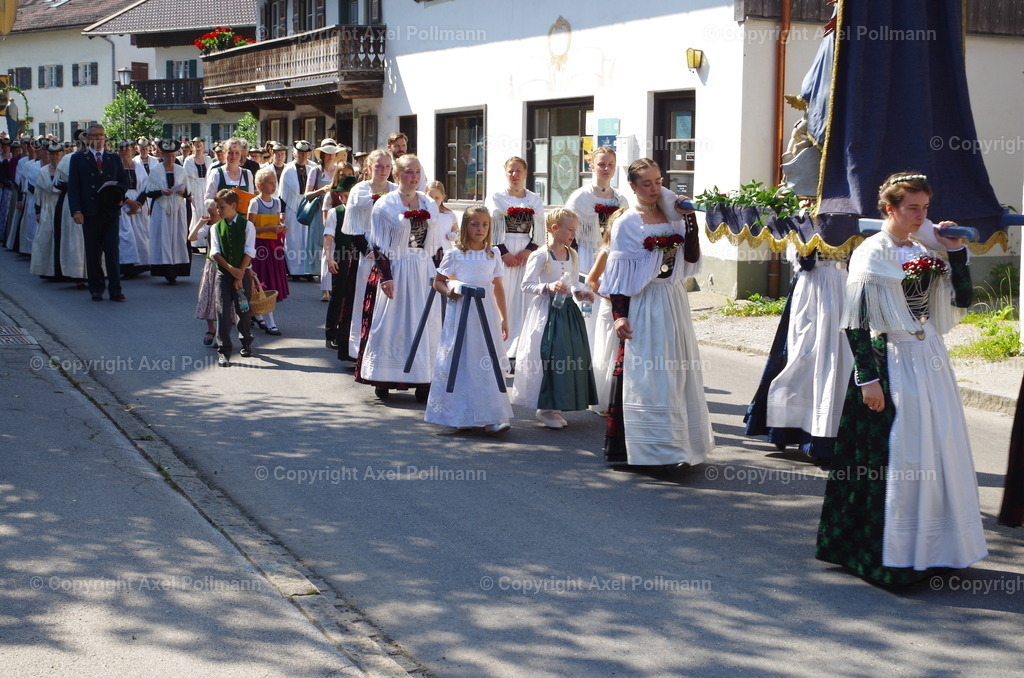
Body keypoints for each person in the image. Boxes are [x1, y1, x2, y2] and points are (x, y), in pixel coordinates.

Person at [815, 172, 987, 587]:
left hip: (929, 357)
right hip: (890, 357)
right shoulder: (871, 253)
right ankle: (888, 554)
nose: (920, 216)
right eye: (912, 208)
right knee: (900, 454)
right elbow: (856, 322)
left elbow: (963, 299)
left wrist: (955, 251)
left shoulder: (924, 249)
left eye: (925, 208)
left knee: (938, 446)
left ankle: (936, 548)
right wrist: (867, 380)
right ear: (890, 208)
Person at [599, 158, 713, 467]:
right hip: (644, 302)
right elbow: (619, 277)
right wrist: (619, 316)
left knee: (677, 372)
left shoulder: (673, 216)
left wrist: (689, 219)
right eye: (647, 183)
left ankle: (680, 446)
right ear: (633, 186)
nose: (654, 188)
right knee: (651, 375)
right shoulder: (627, 223)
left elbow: (691, 256)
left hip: (673, 300)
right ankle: (656, 450)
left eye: (659, 182)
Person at [742, 243, 852, 461]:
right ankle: (789, 427)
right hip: (812, 289)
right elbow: (803, 260)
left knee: (838, 360)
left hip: (843, 286)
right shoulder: (805, 227)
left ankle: (827, 433)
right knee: (803, 357)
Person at [356, 154, 443, 401]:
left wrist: (442, 274)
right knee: (393, 322)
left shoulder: (428, 203)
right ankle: (385, 377)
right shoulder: (385, 205)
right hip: (398, 268)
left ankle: (424, 380)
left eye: (417, 171)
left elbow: (436, 245)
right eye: (408, 171)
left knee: (425, 322)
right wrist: (386, 277)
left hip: (423, 270)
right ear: (397, 175)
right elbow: (378, 245)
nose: (414, 176)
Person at [425, 205, 512, 433]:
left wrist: (504, 318)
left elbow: (498, 287)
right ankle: (459, 414)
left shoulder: (493, 254)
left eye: (484, 224)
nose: (480, 229)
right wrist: (449, 291)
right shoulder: (455, 254)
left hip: (486, 314)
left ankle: (493, 415)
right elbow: (438, 282)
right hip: (462, 313)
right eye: (474, 224)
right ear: (465, 226)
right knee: (463, 359)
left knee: (487, 359)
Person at [511, 208, 598, 427]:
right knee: (549, 355)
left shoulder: (573, 254)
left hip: (568, 311)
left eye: (575, 230)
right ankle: (546, 407)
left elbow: (574, 284)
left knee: (568, 355)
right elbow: (526, 285)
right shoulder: (541, 255)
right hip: (547, 312)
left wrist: (581, 293)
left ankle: (558, 404)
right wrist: (548, 287)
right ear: (555, 229)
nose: (574, 234)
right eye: (570, 229)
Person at [485, 156, 545, 361]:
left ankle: (522, 345)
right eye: (510, 171)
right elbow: (492, 227)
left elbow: (540, 230)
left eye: (518, 170)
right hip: (504, 250)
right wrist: (504, 252)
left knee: (524, 297)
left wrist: (529, 250)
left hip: (526, 252)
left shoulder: (534, 199)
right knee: (505, 295)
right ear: (505, 173)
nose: (515, 175)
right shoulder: (497, 198)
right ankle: (501, 343)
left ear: (525, 173)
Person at [67, 124, 129, 301]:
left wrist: (115, 192)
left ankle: (115, 289)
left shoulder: (113, 157)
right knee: (93, 252)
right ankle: (96, 288)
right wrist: (76, 210)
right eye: (95, 135)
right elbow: (74, 187)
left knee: (112, 251)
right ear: (88, 138)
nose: (99, 139)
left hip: (110, 212)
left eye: (101, 135)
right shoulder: (79, 158)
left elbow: (124, 182)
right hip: (90, 212)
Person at [343, 149, 395, 359]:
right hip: (366, 255)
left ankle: (384, 349)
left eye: (387, 166)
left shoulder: (395, 190)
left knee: (386, 303)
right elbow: (354, 227)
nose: (383, 170)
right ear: (369, 167)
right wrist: (369, 250)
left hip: (390, 254)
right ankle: (359, 350)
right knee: (362, 301)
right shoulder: (360, 190)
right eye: (379, 166)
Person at [210, 189, 256, 367]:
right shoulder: (216, 227)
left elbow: (249, 251)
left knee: (243, 310)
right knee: (222, 311)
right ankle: (224, 350)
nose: (218, 211)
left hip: (242, 275)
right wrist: (231, 269)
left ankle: (246, 341)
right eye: (217, 207)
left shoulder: (247, 226)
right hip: (223, 275)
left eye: (222, 207)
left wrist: (240, 273)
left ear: (233, 206)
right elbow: (215, 252)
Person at [247, 167, 290, 335]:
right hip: (259, 246)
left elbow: (277, 223)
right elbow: (249, 229)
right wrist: (270, 228)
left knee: (270, 281)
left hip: (273, 246)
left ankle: (260, 315)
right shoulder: (255, 203)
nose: (274, 186)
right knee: (261, 281)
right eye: (270, 183)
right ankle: (267, 320)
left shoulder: (277, 202)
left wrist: (281, 228)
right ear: (260, 185)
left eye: (275, 182)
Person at [323, 174, 360, 358]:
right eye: (344, 195)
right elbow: (328, 236)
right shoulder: (335, 212)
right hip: (342, 256)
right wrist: (330, 259)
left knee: (355, 296)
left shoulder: (362, 212)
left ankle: (350, 333)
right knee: (338, 295)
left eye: (349, 195)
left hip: (359, 258)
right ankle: (331, 333)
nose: (346, 199)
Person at [146, 138, 192, 284]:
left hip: (178, 209)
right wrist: (161, 191)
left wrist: (183, 192)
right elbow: (148, 192)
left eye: (173, 156)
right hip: (162, 209)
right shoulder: (155, 171)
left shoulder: (181, 170)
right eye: (168, 156)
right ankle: (165, 270)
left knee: (178, 237)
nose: (171, 159)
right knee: (163, 237)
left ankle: (177, 269)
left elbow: (188, 192)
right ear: (163, 155)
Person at [583, 224, 617, 415]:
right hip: (609, 305)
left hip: (630, 307)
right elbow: (591, 280)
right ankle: (605, 398)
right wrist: (610, 296)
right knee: (608, 350)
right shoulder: (607, 252)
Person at [303, 138, 341, 288]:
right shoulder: (316, 171)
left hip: (336, 211)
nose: (330, 156)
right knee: (320, 244)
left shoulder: (339, 170)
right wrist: (321, 191)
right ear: (323, 155)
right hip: (319, 212)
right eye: (327, 153)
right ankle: (323, 281)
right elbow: (307, 195)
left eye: (333, 153)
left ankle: (331, 279)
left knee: (334, 244)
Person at [279, 140, 317, 279]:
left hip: (309, 207)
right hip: (292, 208)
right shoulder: (288, 169)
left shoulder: (314, 168)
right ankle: (294, 271)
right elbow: (282, 193)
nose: (302, 156)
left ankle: (309, 271)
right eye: (300, 153)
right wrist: (282, 211)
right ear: (294, 153)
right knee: (293, 240)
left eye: (305, 153)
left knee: (308, 239)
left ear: (309, 154)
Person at [189, 199, 224, 346]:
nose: (211, 217)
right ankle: (211, 328)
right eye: (210, 214)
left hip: (225, 266)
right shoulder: (209, 227)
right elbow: (191, 238)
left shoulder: (227, 226)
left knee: (223, 301)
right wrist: (200, 223)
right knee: (208, 298)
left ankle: (222, 332)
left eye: (213, 215)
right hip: (212, 266)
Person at [29, 140, 65, 278]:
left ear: (61, 154)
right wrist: (38, 212)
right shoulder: (43, 172)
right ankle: (48, 271)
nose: (55, 157)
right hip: (48, 209)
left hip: (63, 209)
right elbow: (38, 194)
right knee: (46, 239)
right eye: (52, 154)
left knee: (63, 239)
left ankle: (63, 271)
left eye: (57, 154)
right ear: (48, 155)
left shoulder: (66, 170)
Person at [116, 140, 150, 278]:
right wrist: (127, 202)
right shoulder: (115, 167)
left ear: (132, 151)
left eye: (127, 149)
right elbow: (113, 187)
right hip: (122, 205)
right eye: (122, 149)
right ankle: (126, 266)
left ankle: (140, 265)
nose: (125, 152)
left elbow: (146, 186)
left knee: (140, 235)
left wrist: (138, 204)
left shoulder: (139, 167)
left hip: (138, 206)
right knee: (125, 237)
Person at [183, 137, 210, 247]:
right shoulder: (189, 160)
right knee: (196, 213)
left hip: (206, 187)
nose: (198, 146)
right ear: (192, 146)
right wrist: (189, 193)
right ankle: (195, 241)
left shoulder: (208, 159)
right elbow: (185, 178)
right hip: (194, 188)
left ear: (203, 146)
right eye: (196, 144)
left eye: (200, 144)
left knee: (207, 212)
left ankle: (206, 240)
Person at [426, 180, 458, 251]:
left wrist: (454, 235)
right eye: (430, 197)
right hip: (426, 254)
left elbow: (458, 234)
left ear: (442, 197)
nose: (433, 201)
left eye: (437, 198)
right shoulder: (421, 214)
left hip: (445, 253)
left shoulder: (449, 215)